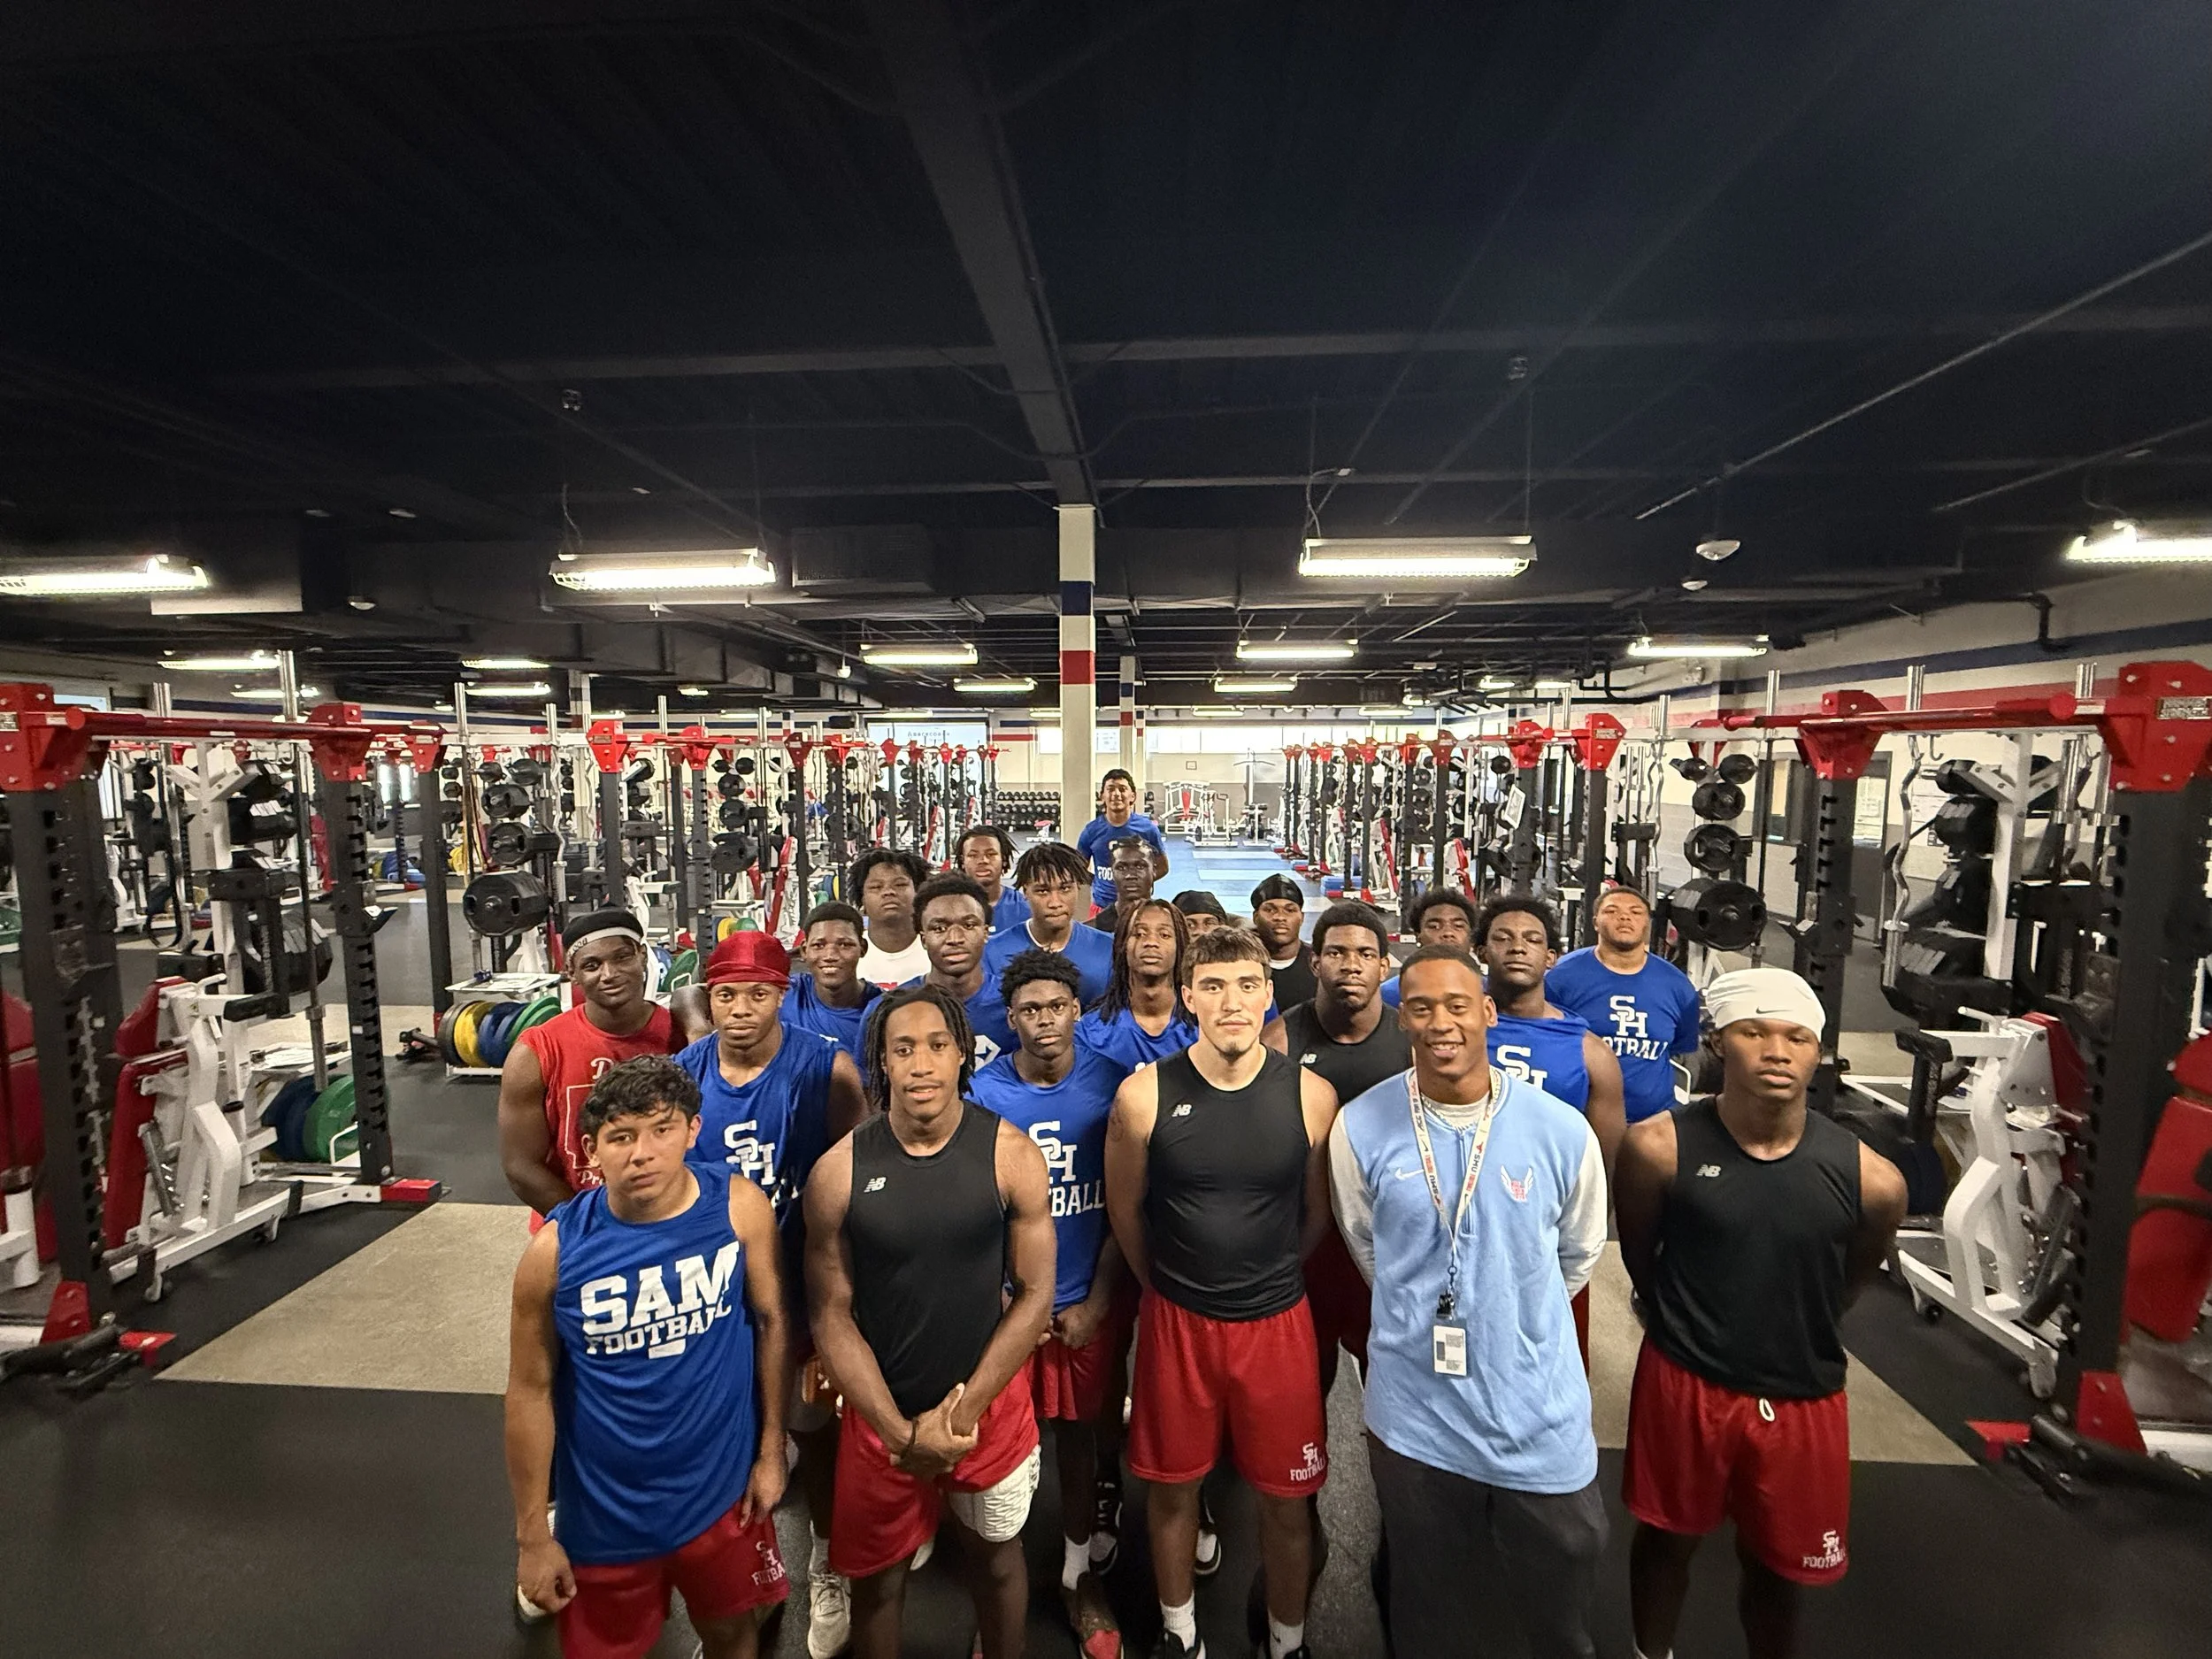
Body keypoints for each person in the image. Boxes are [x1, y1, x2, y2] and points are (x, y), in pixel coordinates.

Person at [1615, 968, 1907, 1659]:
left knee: (1781, 1571)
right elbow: (1641, 1258)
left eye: (1798, 1037)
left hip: (1802, 1392)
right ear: (1720, 1042)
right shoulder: (1657, 1147)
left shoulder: (1875, 1180)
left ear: (1819, 1052)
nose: (1778, 1050)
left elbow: (1847, 1280)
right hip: (1685, 1381)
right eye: (1756, 1032)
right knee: (1665, 1543)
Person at [1330, 947, 1609, 1659]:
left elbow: (1578, 1253)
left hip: (1535, 1408)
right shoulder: (1360, 1125)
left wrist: (1506, 1317)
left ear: (1487, 1012)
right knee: (1426, 1601)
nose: (1441, 1023)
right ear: (1404, 1019)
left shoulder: (1559, 1130)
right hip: (1415, 1414)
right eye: (1421, 1007)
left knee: (1563, 1600)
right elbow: (1368, 1245)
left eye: (1458, 1005)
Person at [503, 1056, 792, 1659]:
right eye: (621, 1136)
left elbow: (770, 1322)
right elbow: (529, 1390)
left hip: (723, 1496)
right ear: (590, 1148)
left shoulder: (740, 1208)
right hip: (606, 1516)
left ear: (692, 1130)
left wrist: (771, 1453)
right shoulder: (554, 1254)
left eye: (662, 1129)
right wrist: (533, 1533)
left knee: (734, 1635)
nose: (643, 1153)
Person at [804, 985, 1056, 1659]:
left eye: (936, 1046)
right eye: (903, 1048)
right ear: (882, 1062)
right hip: (879, 1416)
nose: (921, 1064)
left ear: (961, 1054)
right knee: (877, 1583)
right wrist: (896, 1429)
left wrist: (961, 1415)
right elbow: (830, 1309)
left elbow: (1035, 1293)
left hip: (987, 1414)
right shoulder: (838, 1172)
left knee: (997, 1564)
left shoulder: (1010, 1154)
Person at [1106, 926, 1336, 1659]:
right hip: (1179, 1322)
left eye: (1246, 985)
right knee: (1172, 1490)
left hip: (1276, 1325)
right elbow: (1128, 1216)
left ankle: (1286, 1640)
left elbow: (1314, 1218)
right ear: (1187, 997)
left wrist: (1259, 1280)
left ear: (1268, 994)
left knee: (1287, 1499)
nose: (1230, 1001)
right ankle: (1180, 1634)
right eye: (1212, 986)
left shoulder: (1312, 1094)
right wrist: (1174, 1287)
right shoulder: (1142, 1095)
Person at [674, 929, 871, 1659]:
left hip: (806, 1291)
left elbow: (858, 1189)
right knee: (735, 1445)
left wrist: (843, 1306)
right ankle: (748, 1581)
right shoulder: (685, 1074)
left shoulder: (827, 1068)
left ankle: (828, 1563)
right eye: (727, 994)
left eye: (759, 994)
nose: (742, 1009)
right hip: (718, 1303)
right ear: (710, 999)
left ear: (782, 997)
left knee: (815, 1439)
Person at [970, 951, 1133, 1659]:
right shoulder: (981, 1092)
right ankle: (995, 1598)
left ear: (1076, 1010)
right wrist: (1003, 1298)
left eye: (1056, 1006)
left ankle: (1076, 1577)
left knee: (1079, 1443)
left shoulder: (1115, 1086)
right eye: (1029, 1009)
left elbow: (1128, 1206)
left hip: (1080, 1308)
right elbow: (969, 1211)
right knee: (996, 1454)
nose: (1044, 1019)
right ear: (1011, 1019)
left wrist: (1098, 1300)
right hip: (1007, 1309)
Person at [1262, 900, 1411, 1386]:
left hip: (1390, 1236)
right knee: (1305, 1377)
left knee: (1391, 1378)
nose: (1351, 964)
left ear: (1385, 966)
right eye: (1337, 952)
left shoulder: (1410, 1041)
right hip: (1309, 1236)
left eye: (1366, 954)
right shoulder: (1280, 1038)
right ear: (1314, 962)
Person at [1476, 895, 1625, 1368]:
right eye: (1502, 938)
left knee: (1547, 1364)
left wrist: (1584, 1238)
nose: (1517, 947)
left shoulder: (1588, 1051)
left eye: (1532, 939)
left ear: (1551, 958)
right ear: (1481, 951)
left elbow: (1604, 1164)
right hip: (1467, 1220)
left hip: (1545, 1231)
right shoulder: (1455, 1032)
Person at [499, 910, 695, 1218]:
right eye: (592, 965)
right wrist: (593, 1226)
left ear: (643, 957)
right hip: (577, 1222)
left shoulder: (684, 1037)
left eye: (622, 958)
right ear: (571, 973)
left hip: (675, 1218)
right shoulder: (536, 1051)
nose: (609, 974)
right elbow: (521, 1166)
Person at [1545, 886, 1701, 1124]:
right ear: (1596, 922)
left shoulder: (1678, 987)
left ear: (1647, 924)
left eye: (1636, 912)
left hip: (1651, 1123)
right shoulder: (1560, 978)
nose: (1625, 917)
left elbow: (1680, 1048)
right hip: (1579, 1121)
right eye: (1612, 911)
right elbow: (1546, 1043)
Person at [983, 841, 1114, 1008]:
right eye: (1043, 891)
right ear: (1025, 892)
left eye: (1065, 889)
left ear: (1077, 888)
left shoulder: (1108, 948)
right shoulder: (992, 952)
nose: (1055, 902)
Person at [1077, 898, 1199, 1073]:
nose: (1151, 942)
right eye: (1139, 934)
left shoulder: (1205, 1029)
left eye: (1164, 935)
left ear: (1180, 946)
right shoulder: (1089, 1035)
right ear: (1122, 946)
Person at [914, 872, 1017, 1067]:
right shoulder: (894, 1010)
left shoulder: (1016, 1003)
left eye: (969, 925)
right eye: (939, 928)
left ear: (986, 933)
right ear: (923, 938)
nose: (955, 938)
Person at [780, 900, 883, 1064]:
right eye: (818, 945)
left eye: (844, 945)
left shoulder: (882, 1011)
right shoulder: (784, 995)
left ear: (862, 948)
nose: (830, 956)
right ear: (804, 951)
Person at [1077, 767, 1169, 913]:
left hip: (1139, 907)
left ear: (1132, 796)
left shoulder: (1148, 829)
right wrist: (1098, 883)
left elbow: (1163, 867)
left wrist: (1140, 881)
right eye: (1111, 789)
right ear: (1102, 796)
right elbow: (1078, 868)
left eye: (1122, 789)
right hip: (1102, 907)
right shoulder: (1091, 831)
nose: (1116, 794)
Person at [1379, 887, 1483, 1009]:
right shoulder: (1387, 995)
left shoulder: (1489, 992)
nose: (1448, 933)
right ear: (1418, 936)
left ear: (1471, 938)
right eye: (1434, 926)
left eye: (1458, 926)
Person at [852, 849, 933, 989]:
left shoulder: (938, 950)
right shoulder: (848, 954)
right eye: (876, 887)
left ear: (919, 892)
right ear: (862, 900)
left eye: (900, 884)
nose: (888, 892)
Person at [1250, 874, 1316, 1010]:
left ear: (1301, 917)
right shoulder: (1240, 963)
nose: (1280, 917)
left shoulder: (1319, 965)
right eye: (1270, 910)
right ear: (1256, 917)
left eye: (1290, 910)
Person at [958, 825, 1032, 934]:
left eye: (991, 854)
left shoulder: (1026, 909)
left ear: (1004, 859)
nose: (983, 861)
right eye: (973, 855)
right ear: (963, 861)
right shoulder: (947, 909)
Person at [1087, 835, 1161, 933]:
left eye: (1139, 867)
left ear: (1154, 870)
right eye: (1121, 868)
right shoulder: (1093, 932)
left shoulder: (1172, 925)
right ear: (1112, 872)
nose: (1130, 875)